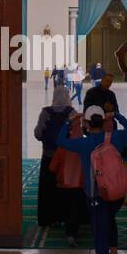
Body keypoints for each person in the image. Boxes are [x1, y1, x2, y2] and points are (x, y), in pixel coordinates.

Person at [56, 105, 127, 254]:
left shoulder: (83, 144)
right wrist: (115, 115)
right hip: (116, 193)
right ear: (103, 120)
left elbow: (60, 140)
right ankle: (114, 252)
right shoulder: (116, 138)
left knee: (100, 232)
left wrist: (70, 122)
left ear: (86, 123)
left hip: (95, 194)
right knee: (110, 218)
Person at [33, 86, 75, 231]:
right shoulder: (71, 112)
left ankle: (47, 219)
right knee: (65, 187)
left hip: (49, 156)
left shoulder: (45, 112)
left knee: (48, 187)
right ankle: (65, 217)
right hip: (66, 158)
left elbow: (38, 134)